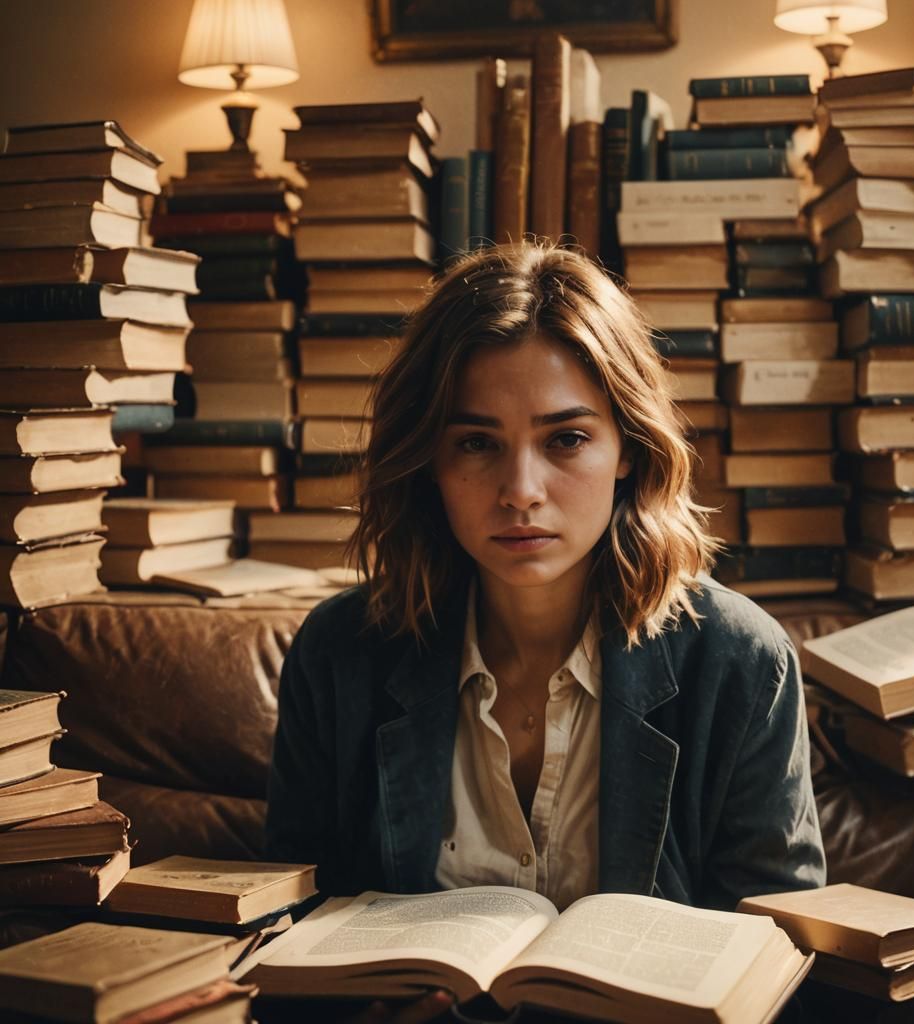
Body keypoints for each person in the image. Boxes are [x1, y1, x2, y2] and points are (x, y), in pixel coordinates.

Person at [265, 242, 826, 1020]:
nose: (520, 491)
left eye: (565, 439)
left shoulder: (740, 662)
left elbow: (787, 960)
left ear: (628, 448)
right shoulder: (339, 655)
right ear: (428, 458)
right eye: (477, 443)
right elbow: (284, 938)